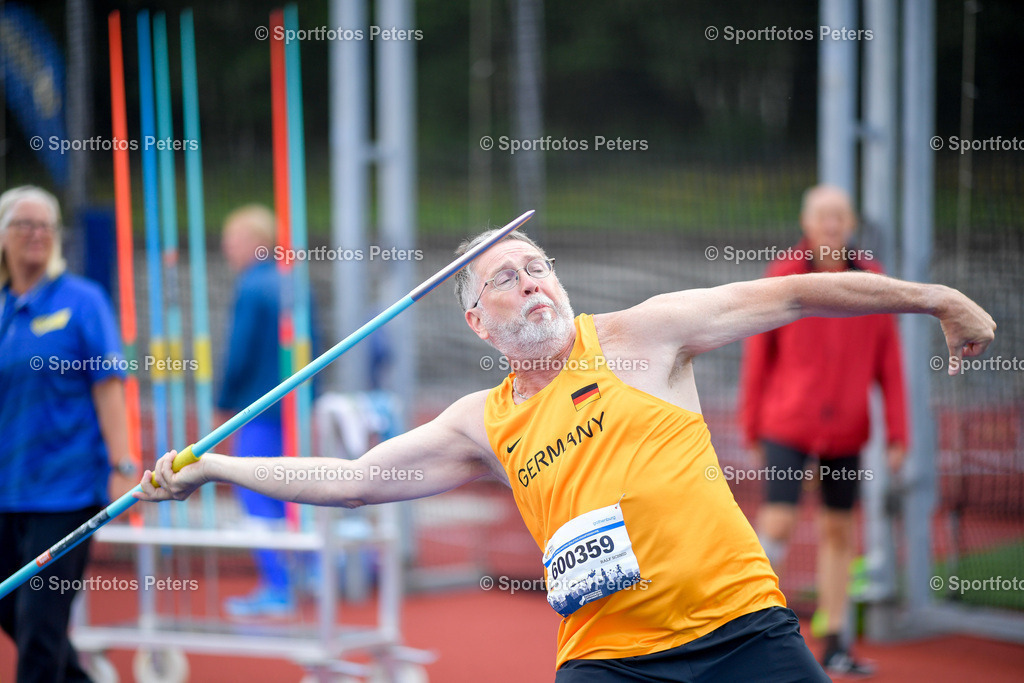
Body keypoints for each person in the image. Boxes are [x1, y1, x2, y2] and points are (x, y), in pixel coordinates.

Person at [137, 226, 995, 681]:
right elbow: (355, 480)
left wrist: (936, 297)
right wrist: (213, 467)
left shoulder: (641, 334)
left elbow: (801, 292)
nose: (531, 281)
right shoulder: (483, 421)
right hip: (608, 662)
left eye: (536, 265)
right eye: (503, 278)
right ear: (477, 321)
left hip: (742, 634)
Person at [739, 184, 908, 676]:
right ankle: (750, 627)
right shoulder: (782, 278)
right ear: (807, 223)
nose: (831, 225)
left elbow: (889, 363)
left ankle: (834, 639)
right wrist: (751, 427)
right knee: (779, 524)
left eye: (840, 216)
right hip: (787, 425)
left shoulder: (872, 282)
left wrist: (899, 431)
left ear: (850, 222)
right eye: (822, 217)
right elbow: (758, 360)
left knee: (840, 530)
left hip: (848, 430)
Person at [0, 185, 136, 683]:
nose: (36, 234)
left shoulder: (83, 301)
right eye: (24, 224)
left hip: (64, 494)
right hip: (6, 492)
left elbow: (108, 387)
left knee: (40, 628)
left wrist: (124, 465)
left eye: (45, 226)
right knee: (18, 618)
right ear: (3, 236)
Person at [217, 204, 296, 617]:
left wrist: (223, 401)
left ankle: (279, 587)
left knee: (256, 492)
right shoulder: (292, 282)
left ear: (254, 241)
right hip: (293, 409)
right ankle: (308, 574)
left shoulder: (251, 287)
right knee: (294, 489)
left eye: (232, 239)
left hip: (259, 409)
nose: (226, 248)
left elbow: (239, 352)